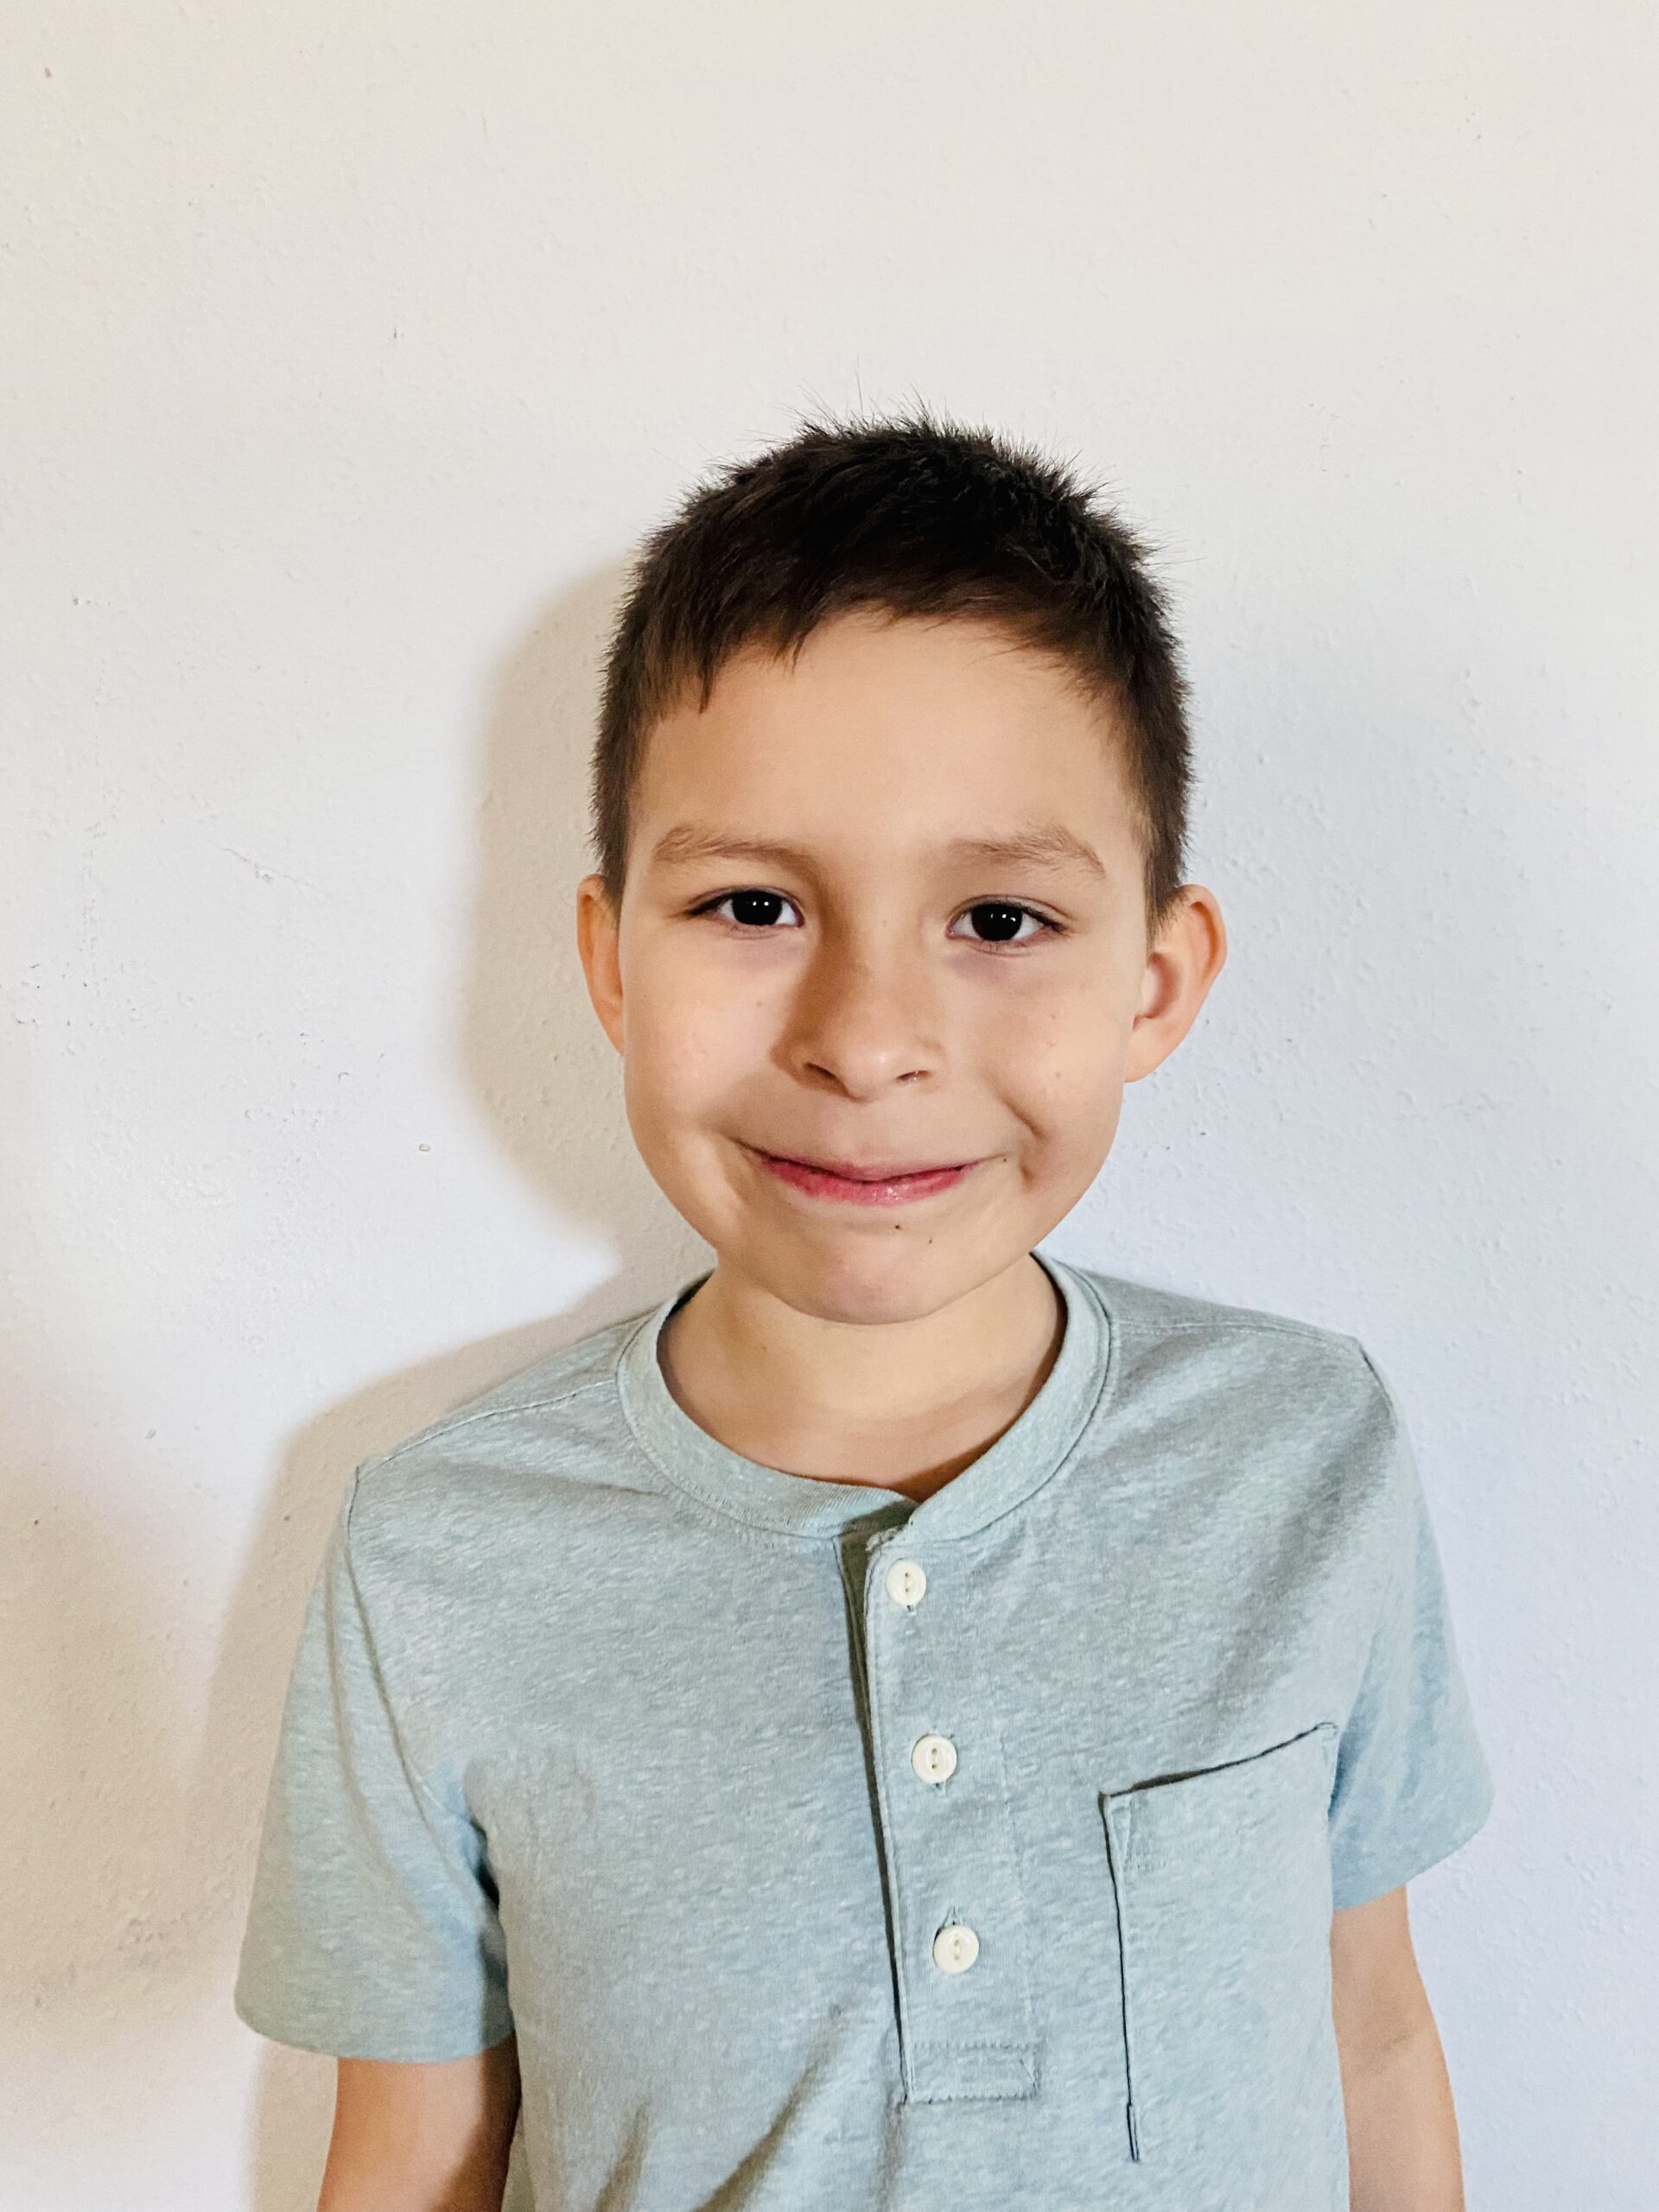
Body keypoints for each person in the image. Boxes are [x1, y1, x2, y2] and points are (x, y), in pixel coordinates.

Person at [235, 407, 1495, 2212]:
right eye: (753, 902)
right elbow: (417, 2154)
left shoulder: (1307, 1452)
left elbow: (1369, 2025)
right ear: (608, 956)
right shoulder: (437, 1555)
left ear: (1158, 979)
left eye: (998, 916)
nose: (867, 1036)